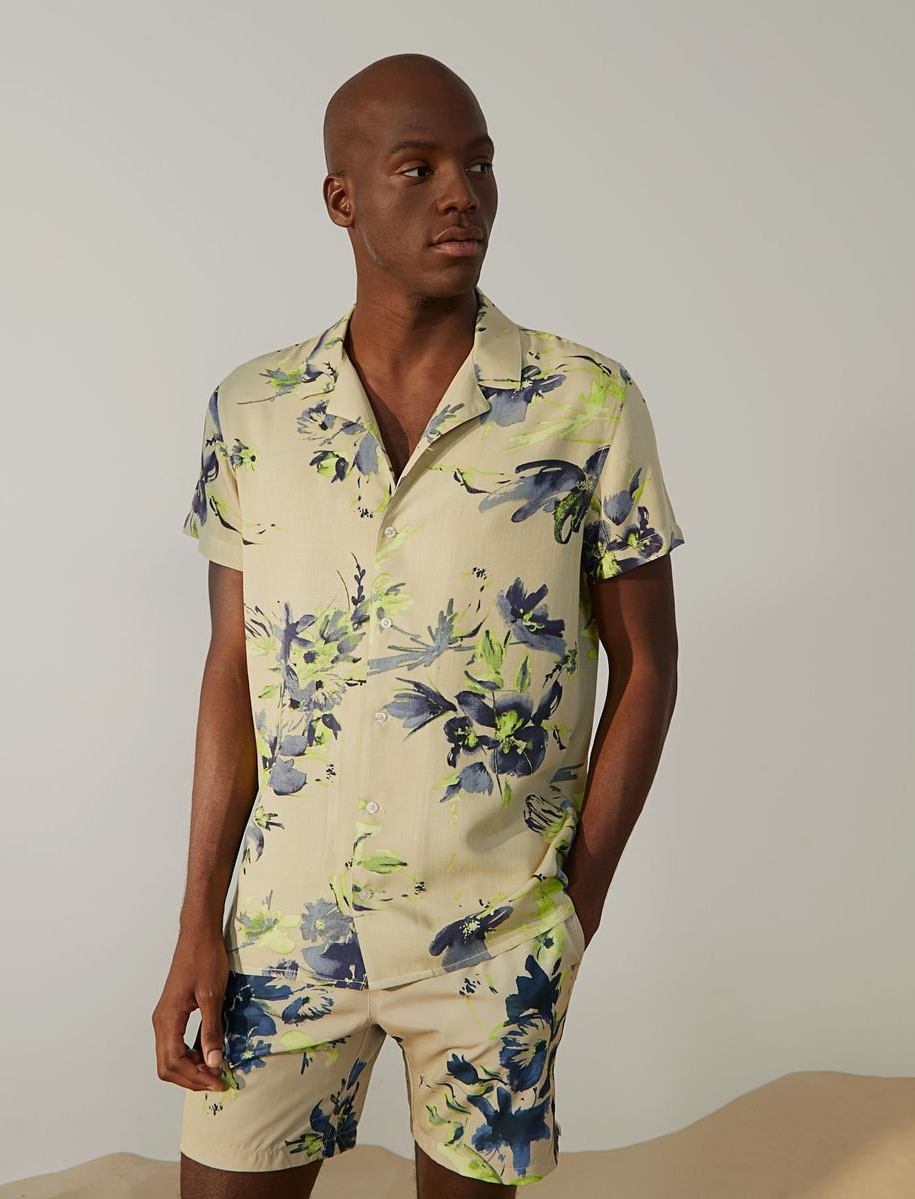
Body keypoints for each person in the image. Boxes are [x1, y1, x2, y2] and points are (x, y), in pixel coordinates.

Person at [153, 51, 685, 1199]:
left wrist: (573, 910)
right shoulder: (253, 410)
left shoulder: (588, 403)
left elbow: (648, 664)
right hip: (285, 931)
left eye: (480, 165)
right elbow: (230, 668)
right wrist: (199, 920)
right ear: (342, 198)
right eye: (421, 167)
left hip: (496, 938)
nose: (463, 193)